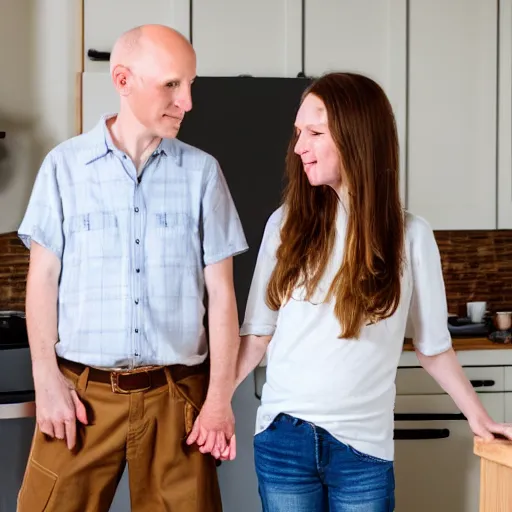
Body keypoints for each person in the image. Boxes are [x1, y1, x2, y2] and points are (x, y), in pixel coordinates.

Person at [235, 72, 512, 512]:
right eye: (297, 133)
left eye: (314, 133)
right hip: (283, 438)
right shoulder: (285, 224)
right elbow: (256, 334)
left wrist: (481, 419)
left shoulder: (411, 237)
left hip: (363, 450)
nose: (298, 147)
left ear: (356, 137)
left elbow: (434, 348)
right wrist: (212, 405)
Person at [16, 24, 246, 512]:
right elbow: (42, 281)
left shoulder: (203, 173)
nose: (186, 102)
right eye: (171, 85)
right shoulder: (63, 168)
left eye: (190, 85)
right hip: (79, 399)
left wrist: (219, 399)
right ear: (123, 80)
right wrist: (46, 380)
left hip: (176, 399)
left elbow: (223, 298)